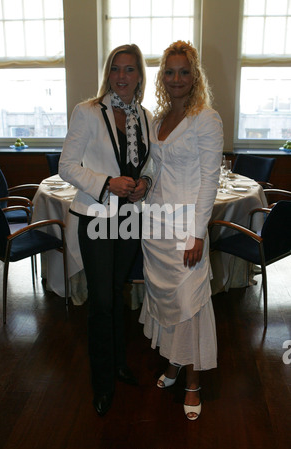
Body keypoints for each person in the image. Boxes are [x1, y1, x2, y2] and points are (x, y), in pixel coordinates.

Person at [59, 44, 152, 416]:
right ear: (108, 74)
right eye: (116, 69)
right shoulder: (86, 112)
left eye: (129, 70)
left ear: (139, 76)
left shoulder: (144, 117)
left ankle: (117, 364)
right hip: (96, 215)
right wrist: (106, 183)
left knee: (117, 293)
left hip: (130, 217)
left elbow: (149, 164)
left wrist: (145, 181)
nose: (122, 77)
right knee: (100, 302)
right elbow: (68, 165)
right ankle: (101, 383)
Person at [139, 40, 223, 420]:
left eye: (184, 71)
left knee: (190, 304)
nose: (176, 78)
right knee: (163, 303)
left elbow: (210, 179)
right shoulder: (157, 120)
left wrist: (198, 233)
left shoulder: (206, 118)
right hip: (155, 226)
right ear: (162, 77)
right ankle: (172, 364)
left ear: (195, 76)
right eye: (169, 72)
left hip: (187, 226)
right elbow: (156, 170)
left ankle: (193, 381)